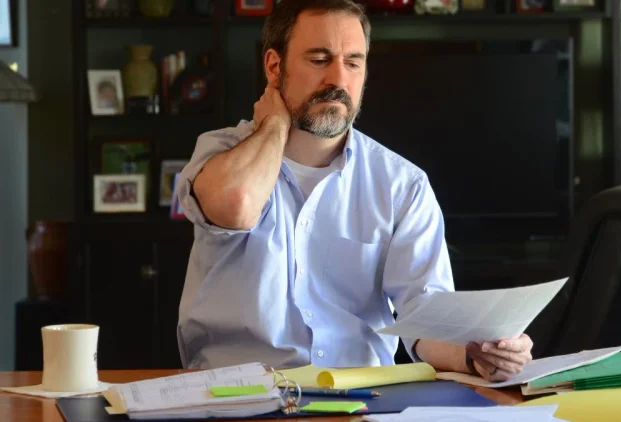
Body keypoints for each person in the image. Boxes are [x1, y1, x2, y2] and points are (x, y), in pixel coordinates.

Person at [175, 0, 533, 382]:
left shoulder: (402, 185)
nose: (338, 79)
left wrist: (476, 354)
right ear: (275, 67)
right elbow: (236, 205)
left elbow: (425, 316)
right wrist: (275, 125)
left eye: (353, 62)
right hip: (237, 394)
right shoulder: (219, 152)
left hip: (359, 397)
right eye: (319, 60)